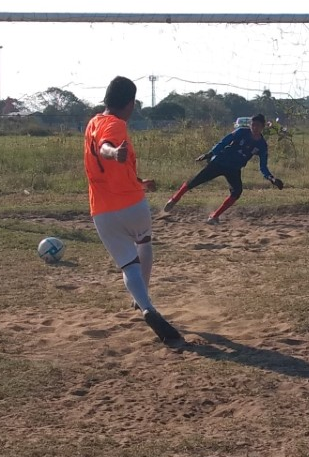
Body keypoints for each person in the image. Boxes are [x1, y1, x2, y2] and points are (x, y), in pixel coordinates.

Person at [83, 76, 184, 347]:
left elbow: (102, 158)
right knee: (144, 242)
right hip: (132, 205)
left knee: (129, 264)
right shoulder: (115, 124)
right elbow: (105, 147)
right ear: (129, 103)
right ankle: (143, 299)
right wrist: (114, 153)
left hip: (102, 211)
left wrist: (138, 180)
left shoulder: (92, 123)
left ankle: (146, 306)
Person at [162, 113, 284, 224]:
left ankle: (214, 216)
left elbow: (263, 166)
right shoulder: (241, 132)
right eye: (253, 124)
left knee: (237, 192)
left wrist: (271, 178)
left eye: (258, 125)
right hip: (219, 162)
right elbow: (224, 142)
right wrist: (210, 154)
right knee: (194, 181)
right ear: (250, 125)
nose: (255, 127)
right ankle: (173, 199)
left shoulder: (262, 145)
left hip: (234, 169)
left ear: (263, 127)